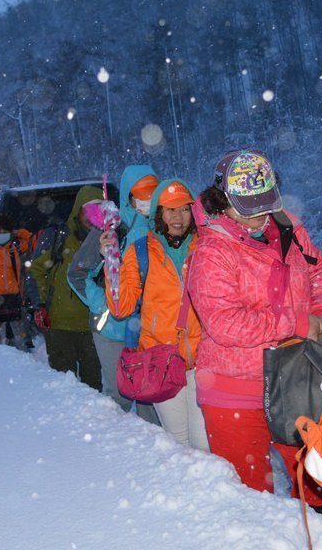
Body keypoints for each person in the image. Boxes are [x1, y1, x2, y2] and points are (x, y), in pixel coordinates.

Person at [187, 149, 322, 511]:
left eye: (264, 203)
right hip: (235, 387)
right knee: (252, 498)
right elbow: (225, 323)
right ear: (223, 200)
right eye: (246, 207)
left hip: (295, 379)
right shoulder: (212, 251)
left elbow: (320, 271)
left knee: (317, 483)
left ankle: (315, 535)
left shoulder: (289, 229)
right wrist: (298, 323)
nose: (257, 216)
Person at [102, 179, 206, 447]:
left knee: (205, 444)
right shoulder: (140, 250)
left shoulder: (206, 247)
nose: (178, 217)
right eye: (170, 210)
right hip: (161, 361)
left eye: (184, 209)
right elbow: (121, 307)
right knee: (179, 442)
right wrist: (111, 261)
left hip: (204, 360)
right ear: (158, 213)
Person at [67, 166, 160, 424]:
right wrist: (104, 304)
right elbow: (76, 273)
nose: (147, 200)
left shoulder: (163, 226)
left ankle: (158, 455)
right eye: (140, 193)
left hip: (152, 327)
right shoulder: (110, 228)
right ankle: (115, 452)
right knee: (119, 395)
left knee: (151, 398)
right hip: (112, 329)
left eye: (153, 191)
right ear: (128, 196)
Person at [27, 186, 104, 390]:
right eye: (88, 211)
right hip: (59, 326)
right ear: (78, 210)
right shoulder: (58, 236)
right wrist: (40, 304)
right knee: (65, 387)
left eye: (98, 211)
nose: (92, 217)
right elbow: (35, 270)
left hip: (93, 327)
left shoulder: (108, 239)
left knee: (94, 388)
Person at [0, 213, 31, 350]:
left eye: (5, 232)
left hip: (14, 297)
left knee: (20, 334)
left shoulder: (15, 248)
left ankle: (25, 359)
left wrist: (19, 232)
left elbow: (32, 239)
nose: (2, 234)